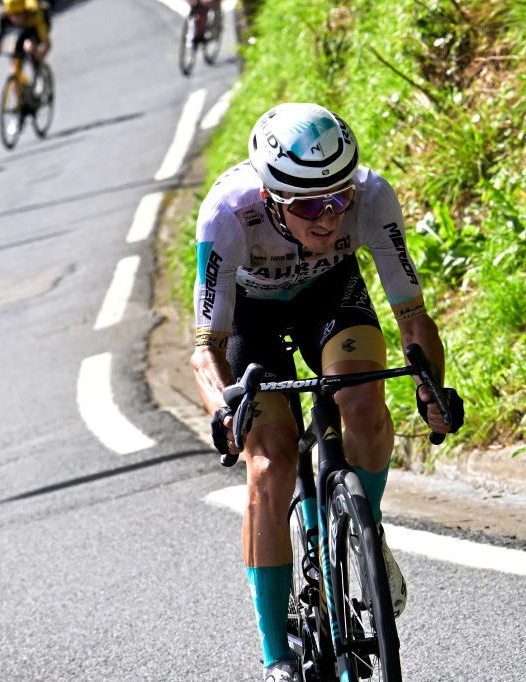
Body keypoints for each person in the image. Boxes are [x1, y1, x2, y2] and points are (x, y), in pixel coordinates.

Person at [190, 103, 464, 682]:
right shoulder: (227, 215)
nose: (328, 219)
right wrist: (223, 409)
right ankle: (277, 655)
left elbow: (413, 317)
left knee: (363, 405)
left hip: (331, 296)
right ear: (269, 199)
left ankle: (369, 539)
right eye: (310, 206)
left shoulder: (372, 198)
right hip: (250, 320)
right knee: (270, 464)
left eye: (339, 199)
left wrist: (431, 391)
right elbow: (206, 349)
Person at [0, 0, 51, 89]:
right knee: (15, 60)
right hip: (23, 31)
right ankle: (20, 91)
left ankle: (39, 76)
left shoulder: (35, 14)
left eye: (21, 14)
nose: (18, 18)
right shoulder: (3, 16)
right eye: (14, 15)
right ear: (8, 13)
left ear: (25, 11)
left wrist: (38, 59)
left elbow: (47, 44)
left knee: (30, 47)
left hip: (36, 28)